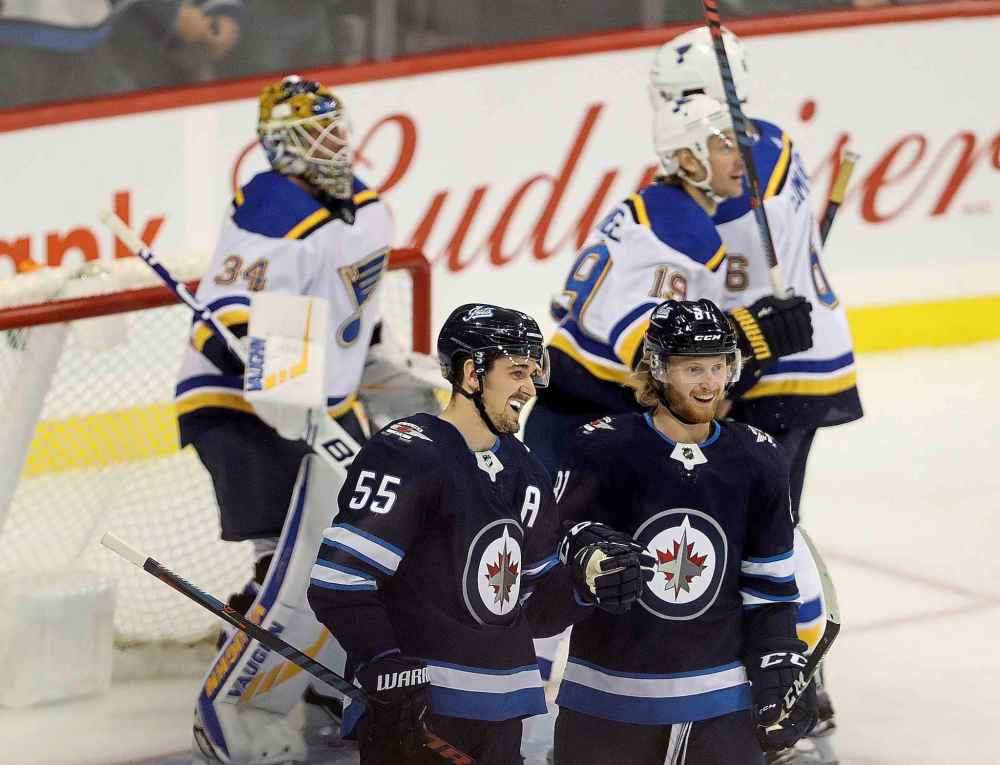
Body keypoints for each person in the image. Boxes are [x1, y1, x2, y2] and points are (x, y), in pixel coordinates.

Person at [520, 93, 815, 762]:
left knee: (570, 584)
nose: (739, 157)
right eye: (721, 146)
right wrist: (755, 334)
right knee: (560, 584)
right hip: (589, 423)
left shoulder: (656, 207)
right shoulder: (682, 228)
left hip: (573, 412)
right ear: (685, 158)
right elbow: (645, 348)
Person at [306, 303, 651, 765]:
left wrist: (588, 586)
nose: (529, 388)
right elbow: (339, 582)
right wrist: (382, 659)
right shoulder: (407, 453)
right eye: (517, 372)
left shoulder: (526, 470)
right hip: (417, 715)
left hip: (501, 712)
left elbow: (536, 611)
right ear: (472, 373)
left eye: (533, 373)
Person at [649, 27, 863, 763]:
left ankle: (788, 682)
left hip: (783, 371)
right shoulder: (770, 141)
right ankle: (789, 677)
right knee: (770, 519)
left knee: (763, 527)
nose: (680, 116)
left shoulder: (740, 162)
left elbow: (712, 274)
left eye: (687, 100)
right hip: (804, 357)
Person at [175, 75, 395, 764]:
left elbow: (349, 310)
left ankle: (319, 680)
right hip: (240, 406)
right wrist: (277, 383)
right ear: (280, 147)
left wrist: (378, 357)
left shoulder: (365, 206)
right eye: (314, 134)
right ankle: (235, 701)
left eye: (335, 126)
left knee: (351, 554)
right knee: (288, 565)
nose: (333, 142)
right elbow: (228, 319)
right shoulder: (271, 204)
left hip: (324, 405)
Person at [546, 298, 817, 765]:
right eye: (693, 369)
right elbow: (547, 566)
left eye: (719, 366)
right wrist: (580, 557)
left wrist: (778, 660)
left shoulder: (758, 458)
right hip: (608, 705)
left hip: (722, 710)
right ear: (657, 368)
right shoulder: (602, 448)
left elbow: (770, 588)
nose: (710, 383)